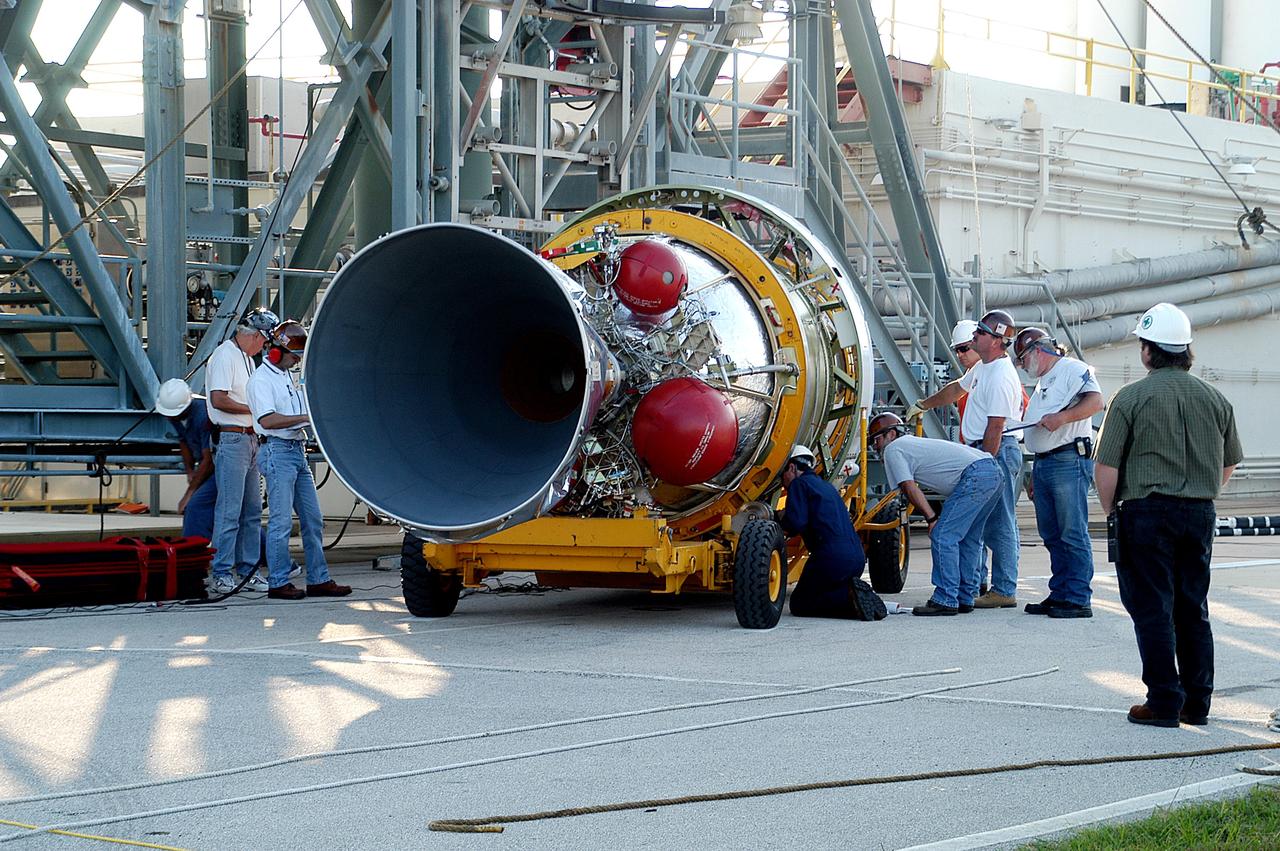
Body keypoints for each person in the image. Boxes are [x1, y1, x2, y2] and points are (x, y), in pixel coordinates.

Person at [1094, 303, 1241, 728]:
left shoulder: (1131, 397)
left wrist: (1112, 511)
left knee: (1152, 607)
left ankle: (1162, 701)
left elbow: (1106, 467)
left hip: (1145, 511)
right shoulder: (1215, 398)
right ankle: (1197, 703)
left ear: (1147, 351)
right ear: (1186, 350)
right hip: (1199, 512)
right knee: (1193, 607)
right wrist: (1201, 490)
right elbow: (1228, 464)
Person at [907, 309, 1023, 608]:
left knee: (1000, 523)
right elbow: (957, 389)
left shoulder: (1000, 376)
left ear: (997, 341)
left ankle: (1004, 589)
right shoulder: (984, 368)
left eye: (980, 334)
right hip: (980, 451)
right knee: (978, 524)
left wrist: (984, 465)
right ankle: (974, 587)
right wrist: (925, 404)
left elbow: (996, 427)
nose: (974, 339)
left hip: (994, 451)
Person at [247, 320, 351, 601]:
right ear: (277, 352)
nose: (296, 362)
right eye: (294, 357)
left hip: (295, 450)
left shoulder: (285, 377)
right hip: (277, 451)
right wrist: (307, 418)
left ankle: (318, 579)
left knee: (313, 519)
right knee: (281, 521)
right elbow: (267, 419)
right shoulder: (261, 380)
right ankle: (278, 581)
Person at [870, 412, 1002, 616]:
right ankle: (964, 597)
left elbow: (908, 486)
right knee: (969, 539)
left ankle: (946, 599)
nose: (875, 446)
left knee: (943, 535)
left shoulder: (894, 449)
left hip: (976, 474)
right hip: (992, 471)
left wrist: (931, 518)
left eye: (877, 439)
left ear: (892, 434)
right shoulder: (912, 444)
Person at [1014, 328, 1104, 619]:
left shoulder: (1072, 370)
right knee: (1052, 532)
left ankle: (1077, 597)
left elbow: (1095, 403)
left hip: (1067, 460)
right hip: (1047, 461)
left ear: (1037, 351)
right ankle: (1062, 592)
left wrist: (1061, 418)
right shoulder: (1045, 382)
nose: (1022, 366)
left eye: (1022, 358)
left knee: (1071, 531)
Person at [206, 307, 278, 594]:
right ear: (255, 335)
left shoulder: (246, 358)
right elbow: (219, 399)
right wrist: (255, 409)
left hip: (248, 439)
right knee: (230, 510)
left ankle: (247, 570)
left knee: (249, 511)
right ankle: (222, 571)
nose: (264, 345)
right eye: (263, 340)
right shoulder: (226, 356)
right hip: (233, 439)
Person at [777, 445, 867, 619]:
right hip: (856, 557)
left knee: (800, 604)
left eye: (783, 475)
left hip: (831, 557)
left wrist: (778, 519)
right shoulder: (826, 487)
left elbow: (796, 523)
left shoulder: (799, 484)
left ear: (792, 467)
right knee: (826, 589)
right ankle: (851, 593)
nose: (783, 482)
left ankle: (849, 599)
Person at [157, 378, 217, 540]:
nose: (169, 418)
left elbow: (209, 460)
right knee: (229, 514)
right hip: (208, 467)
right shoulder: (176, 416)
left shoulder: (203, 416)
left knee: (196, 506)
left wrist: (189, 493)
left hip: (220, 468)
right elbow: (183, 441)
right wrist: (190, 471)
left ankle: (192, 551)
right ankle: (261, 551)